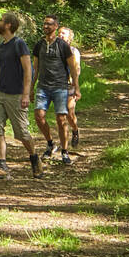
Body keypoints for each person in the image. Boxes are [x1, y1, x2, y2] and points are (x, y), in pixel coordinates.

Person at [0, 12, 41, 180]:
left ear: (8, 25)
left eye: (1, 21)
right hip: (0, 95)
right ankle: (2, 166)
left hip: (16, 95)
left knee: (21, 133)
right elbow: (1, 70)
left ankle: (35, 158)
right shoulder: (1, 46)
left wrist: (26, 94)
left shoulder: (19, 44)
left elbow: (28, 70)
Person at [33, 16, 79, 164]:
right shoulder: (39, 44)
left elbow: (73, 67)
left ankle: (65, 151)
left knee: (61, 119)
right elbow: (36, 68)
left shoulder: (63, 46)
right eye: (44, 23)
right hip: (43, 87)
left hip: (60, 87)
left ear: (55, 26)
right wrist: (30, 88)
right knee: (39, 117)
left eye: (49, 24)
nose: (45, 26)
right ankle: (50, 143)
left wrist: (76, 87)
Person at [61, 25, 83, 150]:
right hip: (57, 86)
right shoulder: (54, 49)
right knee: (61, 116)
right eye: (59, 33)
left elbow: (76, 69)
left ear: (69, 37)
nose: (60, 35)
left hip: (70, 86)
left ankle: (75, 130)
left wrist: (76, 85)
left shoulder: (74, 51)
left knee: (70, 112)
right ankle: (63, 143)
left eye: (63, 33)